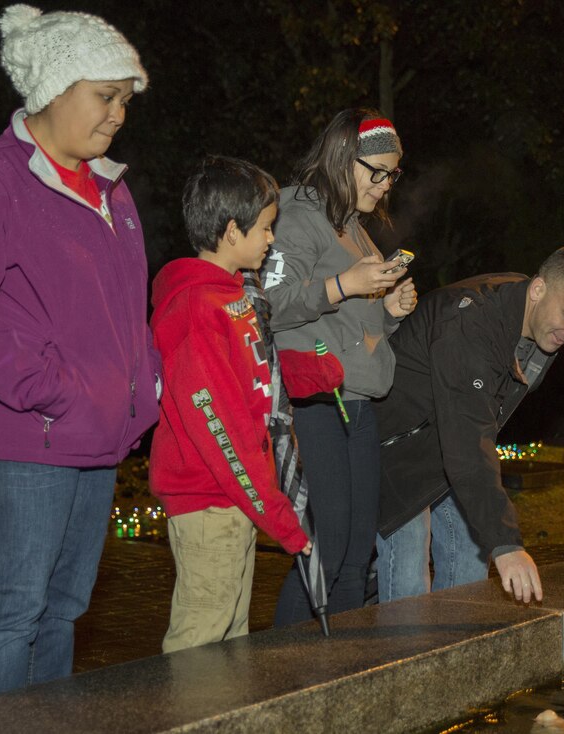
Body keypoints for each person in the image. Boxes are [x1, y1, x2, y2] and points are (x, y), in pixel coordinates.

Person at [0, 5, 159, 700]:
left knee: (63, 613)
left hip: (92, 437)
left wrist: (142, 392)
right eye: (105, 95)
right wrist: (52, 387)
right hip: (16, 437)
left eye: (124, 99)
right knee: (9, 614)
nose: (118, 114)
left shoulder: (112, 191)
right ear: (54, 85)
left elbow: (122, 315)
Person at [374, 247, 564, 604]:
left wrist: (494, 535)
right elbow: (469, 434)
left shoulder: (529, 316)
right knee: (409, 581)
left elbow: (476, 424)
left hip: (443, 444)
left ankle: (454, 654)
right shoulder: (471, 325)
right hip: (393, 451)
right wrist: (506, 542)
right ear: (539, 289)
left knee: (471, 555)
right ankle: (400, 654)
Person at [149, 156, 311, 653]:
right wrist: (277, 512)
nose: (271, 239)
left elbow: (256, 373)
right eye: (265, 228)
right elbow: (219, 423)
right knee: (201, 641)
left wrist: (318, 370)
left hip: (232, 498)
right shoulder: (196, 308)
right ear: (232, 230)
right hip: (209, 498)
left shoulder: (233, 295)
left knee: (230, 638)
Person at [264, 109, 418, 626]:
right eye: (376, 170)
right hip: (314, 401)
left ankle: (340, 676)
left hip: (358, 401)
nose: (384, 184)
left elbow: (355, 327)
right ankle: (282, 675)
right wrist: (343, 285)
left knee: (356, 554)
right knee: (325, 549)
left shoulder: (355, 229)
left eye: (392, 174)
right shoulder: (294, 213)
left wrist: (390, 313)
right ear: (339, 158)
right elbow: (270, 303)